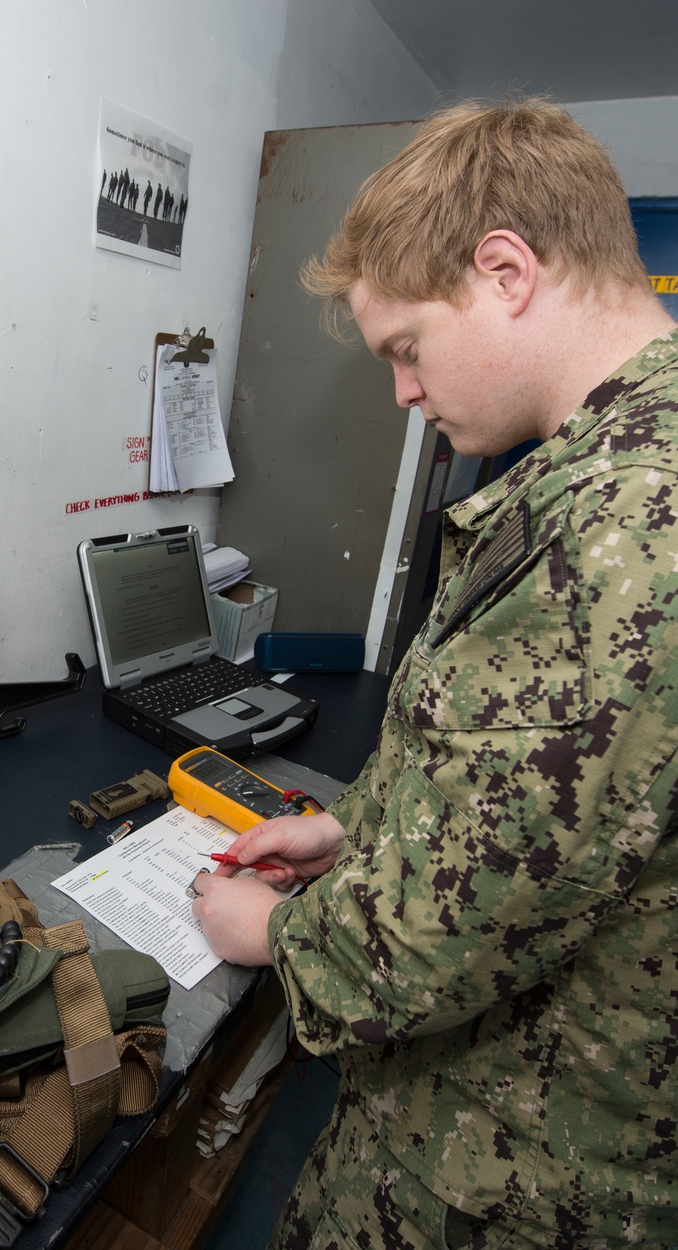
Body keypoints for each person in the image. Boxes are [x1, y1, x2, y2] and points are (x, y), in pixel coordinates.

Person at [191, 97, 678, 1250]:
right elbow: (549, 809)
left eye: (405, 348)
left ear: (505, 270)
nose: (403, 393)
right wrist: (355, 826)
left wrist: (272, 933)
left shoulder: (627, 525)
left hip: (515, 1174)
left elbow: (446, 925)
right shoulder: (605, 473)